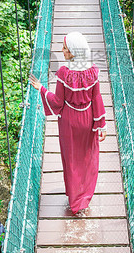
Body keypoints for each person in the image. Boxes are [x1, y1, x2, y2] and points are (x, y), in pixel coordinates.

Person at [29, 32, 107, 214]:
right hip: (88, 119)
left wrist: (41, 88)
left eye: (65, 48)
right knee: (88, 158)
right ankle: (85, 197)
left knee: (71, 160)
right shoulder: (93, 71)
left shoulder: (64, 73)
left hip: (69, 122)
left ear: (73, 52)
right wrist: (101, 124)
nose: (62, 51)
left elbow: (57, 102)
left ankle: (74, 201)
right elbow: (96, 98)